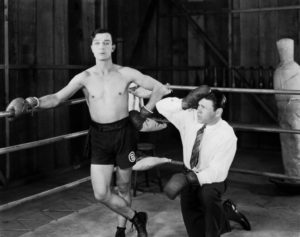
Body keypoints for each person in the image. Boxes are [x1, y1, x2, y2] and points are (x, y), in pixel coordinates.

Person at [6, 28, 170, 237]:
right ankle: (136, 217)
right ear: (92, 48)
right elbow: (57, 98)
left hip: (124, 133)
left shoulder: (126, 73)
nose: (102, 46)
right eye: (98, 43)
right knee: (101, 193)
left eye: (106, 42)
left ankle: (121, 229)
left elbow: (159, 88)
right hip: (100, 136)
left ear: (113, 47)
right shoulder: (83, 77)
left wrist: (145, 112)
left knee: (123, 185)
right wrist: (33, 102)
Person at [156, 86, 251, 237]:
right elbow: (160, 106)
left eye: (204, 108)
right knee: (195, 230)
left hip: (213, 180)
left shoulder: (227, 135)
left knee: (207, 196)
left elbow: (218, 172)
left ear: (218, 112)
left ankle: (219, 222)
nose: (198, 110)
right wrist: (184, 103)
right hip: (189, 173)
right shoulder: (190, 116)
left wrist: (190, 179)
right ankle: (227, 212)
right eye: (198, 105)